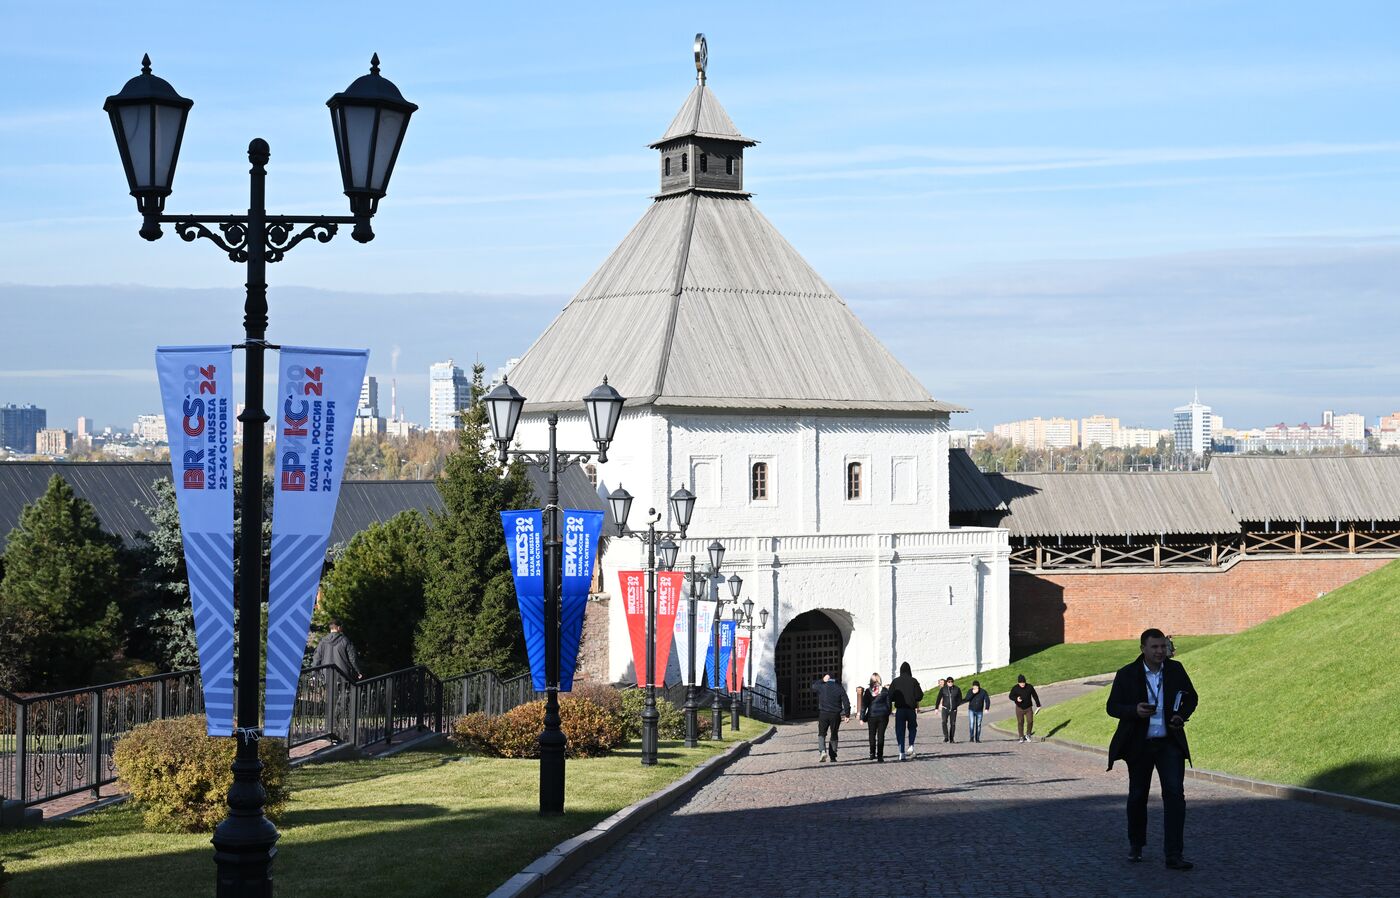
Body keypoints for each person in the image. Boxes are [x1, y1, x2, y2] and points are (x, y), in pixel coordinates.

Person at [1107, 627, 1198, 871]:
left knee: (1175, 795)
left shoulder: (1176, 670)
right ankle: (1136, 844)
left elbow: (1191, 698)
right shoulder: (1127, 674)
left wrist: (1180, 715)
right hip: (1140, 744)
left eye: (1162, 647)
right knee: (1138, 795)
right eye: (1154, 647)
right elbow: (1112, 707)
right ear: (1143, 649)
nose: (1160, 651)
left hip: (1169, 743)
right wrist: (1134, 710)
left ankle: (1174, 854)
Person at [312, 617, 362, 742]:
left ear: (331, 628)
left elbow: (316, 658)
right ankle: (338, 728)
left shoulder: (323, 641)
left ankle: (330, 730)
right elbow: (353, 658)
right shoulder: (345, 640)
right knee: (344, 702)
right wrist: (358, 671)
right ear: (339, 628)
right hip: (343, 676)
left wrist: (314, 674)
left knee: (331, 702)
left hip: (327, 676)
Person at [811, 673, 851, 763]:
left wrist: (822, 680)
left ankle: (822, 751)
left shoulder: (822, 686)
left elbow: (813, 686)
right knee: (834, 734)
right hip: (835, 714)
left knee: (822, 733)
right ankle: (833, 756)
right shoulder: (839, 688)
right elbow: (846, 701)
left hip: (823, 713)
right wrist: (847, 714)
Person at [889, 661, 924, 761]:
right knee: (912, 728)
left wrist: (896, 699)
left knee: (900, 730)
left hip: (900, 709)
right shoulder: (913, 681)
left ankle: (901, 752)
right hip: (911, 709)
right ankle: (911, 745)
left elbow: (890, 696)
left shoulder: (895, 681)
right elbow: (919, 696)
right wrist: (913, 698)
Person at [860, 673, 892, 761]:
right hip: (883, 716)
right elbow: (889, 704)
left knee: (872, 734)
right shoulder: (884, 690)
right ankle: (880, 755)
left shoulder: (868, 691)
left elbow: (864, 705)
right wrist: (887, 713)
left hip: (872, 715)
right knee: (881, 735)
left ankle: (872, 753)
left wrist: (862, 717)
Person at [1008, 674, 1041, 743]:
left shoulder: (1029, 687)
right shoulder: (1015, 688)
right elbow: (1010, 696)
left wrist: (1038, 705)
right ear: (1018, 682)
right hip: (1019, 708)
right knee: (1020, 722)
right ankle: (1021, 737)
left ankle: (1028, 735)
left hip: (1028, 708)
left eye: (1023, 682)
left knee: (1030, 721)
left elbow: (1035, 695)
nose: (1022, 684)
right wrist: (1016, 698)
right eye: (1021, 683)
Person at [935, 676, 963, 742]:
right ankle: (946, 737)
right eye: (949, 682)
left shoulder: (957, 689)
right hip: (945, 708)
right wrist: (936, 708)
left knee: (952, 723)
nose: (950, 683)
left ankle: (951, 738)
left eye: (952, 681)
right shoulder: (943, 689)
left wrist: (956, 705)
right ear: (947, 682)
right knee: (944, 722)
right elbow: (938, 698)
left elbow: (960, 699)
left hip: (953, 709)